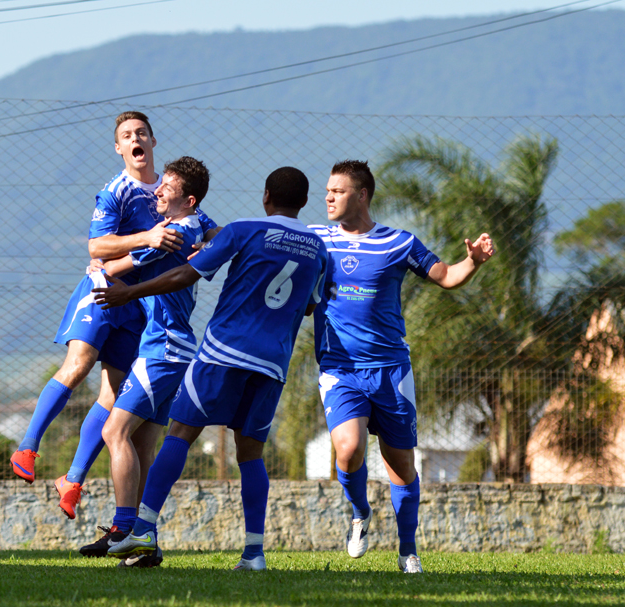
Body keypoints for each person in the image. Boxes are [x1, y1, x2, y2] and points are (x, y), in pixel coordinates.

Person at [93, 166, 328, 571]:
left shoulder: (244, 229)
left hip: (224, 353)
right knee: (250, 455)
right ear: (304, 202)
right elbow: (309, 305)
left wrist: (131, 290)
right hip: (273, 364)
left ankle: (144, 529)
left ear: (266, 196)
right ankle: (254, 554)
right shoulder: (319, 247)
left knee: (180, 435)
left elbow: (187, 272)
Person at [9, 112, 217, 522]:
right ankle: (28, 446)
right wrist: (147, 237)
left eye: (141, 132)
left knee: (114, 394)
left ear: (153, 142)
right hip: (103, 289)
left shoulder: (173, 188)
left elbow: (211, 230)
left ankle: (73, 479)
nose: (135, 138)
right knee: (80, 363)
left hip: (137, 300)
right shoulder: (115, 191)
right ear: (119, 148)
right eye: (126, 135)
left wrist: (204, 248)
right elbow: (96, 247)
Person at [310, 160, 494, 573]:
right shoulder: (315, 239)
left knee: (401, 464)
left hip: (391, 370)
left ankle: (408, 551)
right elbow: (274, 252)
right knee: (350, 447)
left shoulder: (398, 243)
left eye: (337, 191)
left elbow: (445, 275)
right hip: (340, 368)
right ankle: (360, 514)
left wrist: (475, 262)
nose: (328, 197)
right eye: (327, 190)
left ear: (361, 195)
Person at [78, 156, 210, 569]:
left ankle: (124, 528)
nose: (156, 191)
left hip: (164, 351)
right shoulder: (193, 223)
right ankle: (145, 544)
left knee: (114, 430)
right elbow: (211, 227)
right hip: (172, 349)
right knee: (140, 444)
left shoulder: (171, 233)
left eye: (165, 188)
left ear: (185, 198)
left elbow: (117, 268)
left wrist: (98, 269)